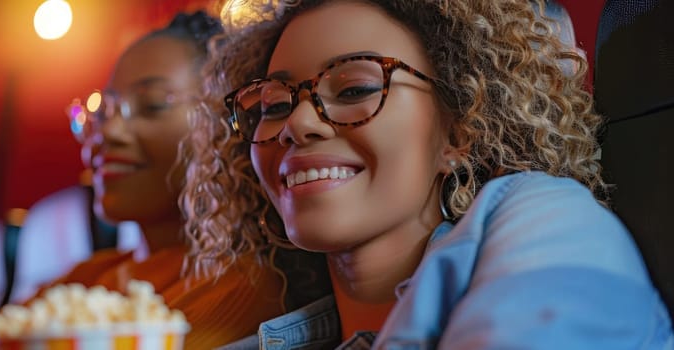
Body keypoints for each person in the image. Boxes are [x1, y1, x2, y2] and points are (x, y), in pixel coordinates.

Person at [184, 0, 674, 348]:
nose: (296, 123)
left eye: (354, 89)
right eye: (272, 103)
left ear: (460, 129)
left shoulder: (541, 211)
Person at [0, 11, 285, 350]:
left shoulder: (244, 284)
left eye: (152, 105)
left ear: (225, 126)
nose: (107, 132)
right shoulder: (88, 278)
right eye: (103, 112)